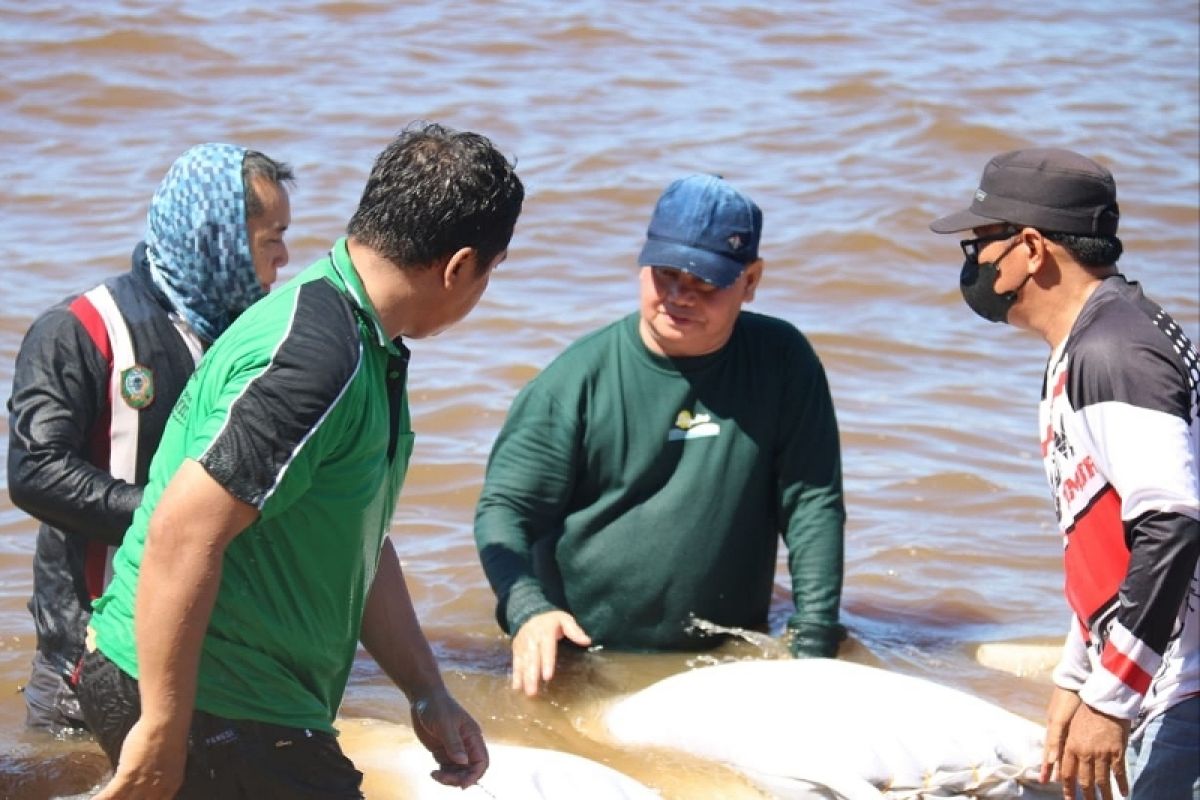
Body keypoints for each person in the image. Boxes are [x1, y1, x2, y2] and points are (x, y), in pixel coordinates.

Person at [74, 122, 524, 799]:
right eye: (491, 272)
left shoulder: (365, 340)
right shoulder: (320, 355)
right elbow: (181, 531)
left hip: (232, 701)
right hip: (204, 700)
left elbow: (356, 542)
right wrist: (164, 733)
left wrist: (428, 691)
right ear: (460, 266)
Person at [475, 174, 846, 697]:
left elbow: (812, 503)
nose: (678, 296)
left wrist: (813, 645)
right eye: (665, 274)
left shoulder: (784, 362)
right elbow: (504, 511)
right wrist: (529, 611)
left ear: (752, 279)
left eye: (705, 282)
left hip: (727, 657)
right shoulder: (574, 381)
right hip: (586, 656)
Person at [930, 147, 1199, 800]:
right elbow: (1103, 536)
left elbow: (1172, 524)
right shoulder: (1084, 343)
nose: (975, 263)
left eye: (981, 243)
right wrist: (1075, 677)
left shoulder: (1116, 354)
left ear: (1030, 247)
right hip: (1157, 678)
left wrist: (1109, 700)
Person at [7, 143, 293, 735]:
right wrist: (176, 523)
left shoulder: (256, 341)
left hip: (218, 656)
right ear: (219, 241)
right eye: (272, 239)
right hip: (89, 658)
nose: (285, 259)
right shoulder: (80, 330)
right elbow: (36, 471)